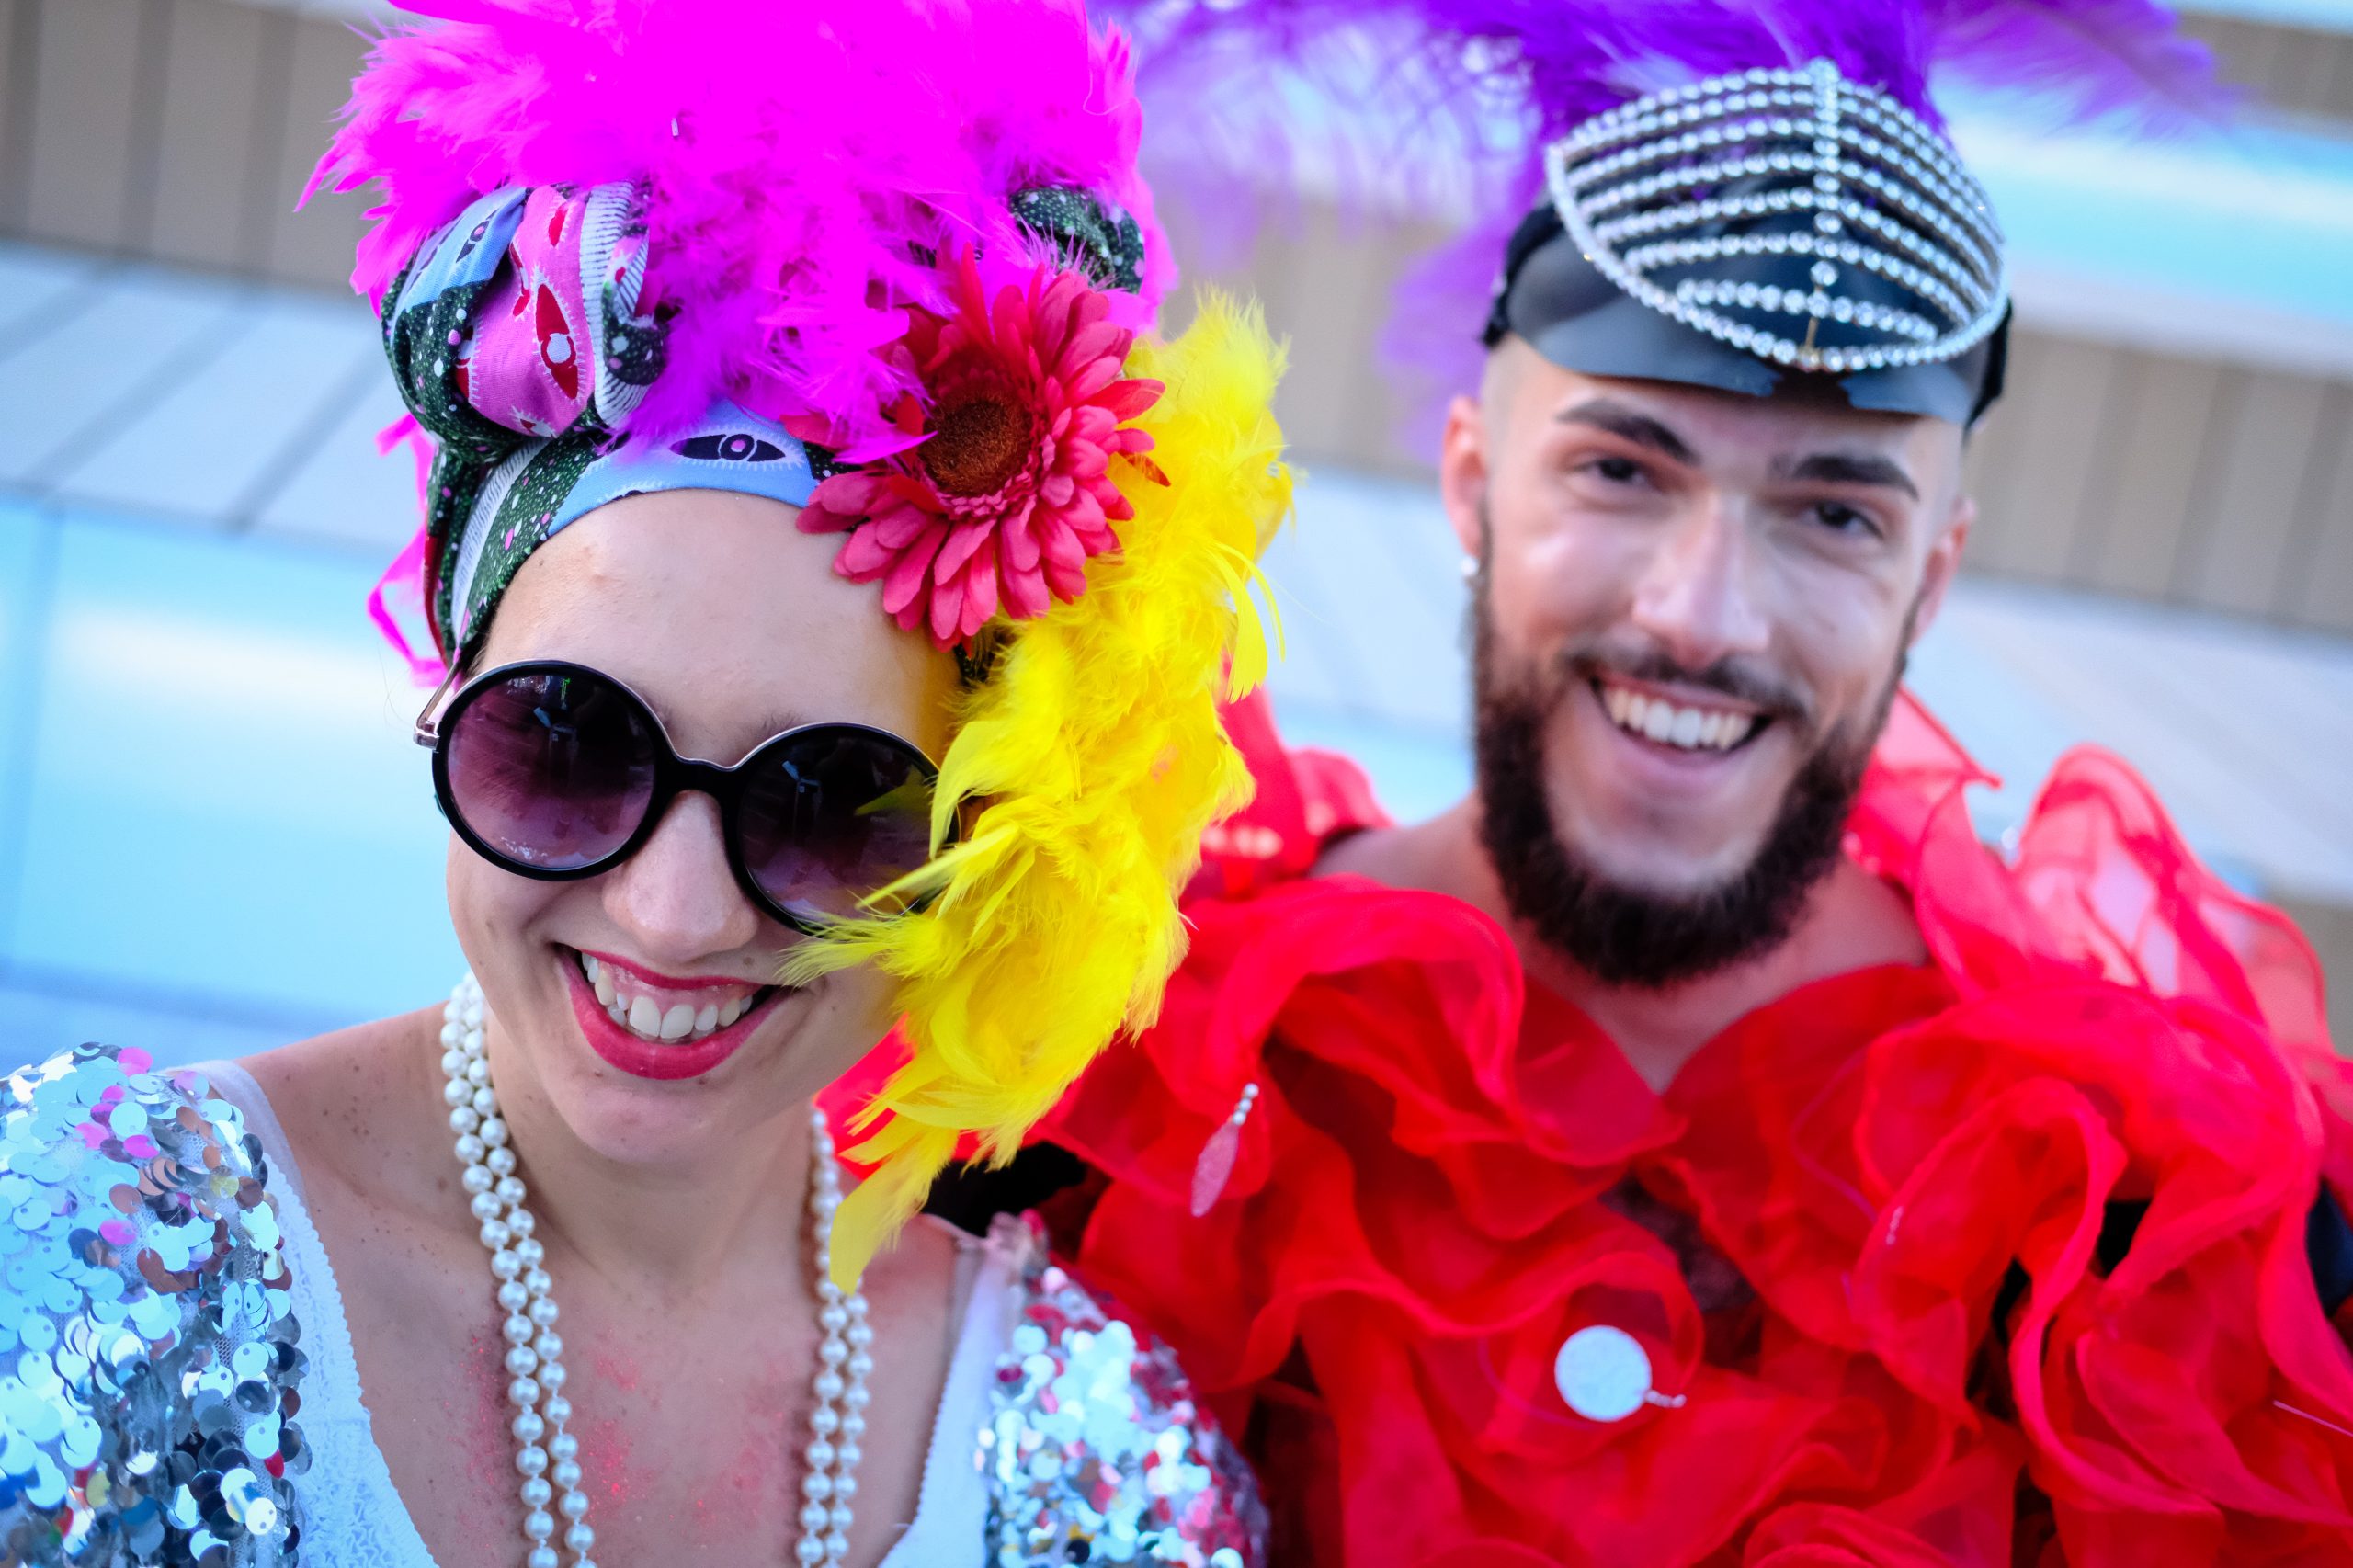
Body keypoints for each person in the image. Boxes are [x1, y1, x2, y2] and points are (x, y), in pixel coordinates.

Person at [1026, 0, 2353, 1562]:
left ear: (1933, 581)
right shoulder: (1115, 1062)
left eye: (1834, 513)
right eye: (1622, 469)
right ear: (1475, 484)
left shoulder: (2154, 1231)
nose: (1700, 614)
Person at [0, 1, 1285, 1562]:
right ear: (448, 697)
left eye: (830, 802)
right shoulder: (84, 1269)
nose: (674, 914)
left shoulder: (1099, 1461)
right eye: (568, 742)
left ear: (979, 843)